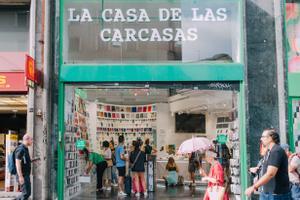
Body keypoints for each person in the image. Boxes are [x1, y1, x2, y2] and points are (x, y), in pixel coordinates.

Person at [245, 128, 291, 199]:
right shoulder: (269, 152)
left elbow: (270, 173)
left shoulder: (276, 151)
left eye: (263, 137)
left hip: (276, 195)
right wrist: (258, 170)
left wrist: (253, 187)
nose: (261, 139)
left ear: (271, 138)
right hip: (267, 194)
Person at [15, 134, 33, 200]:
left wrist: (33, 160)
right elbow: (17, 163)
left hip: (26, 175)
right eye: (31, 139)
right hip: (23, 175)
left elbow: (24, 161)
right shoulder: (21, 149)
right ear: (27, 139)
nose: (32, 141)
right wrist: (20, 176)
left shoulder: (25, 148)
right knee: (26, 193)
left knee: (27, 193)